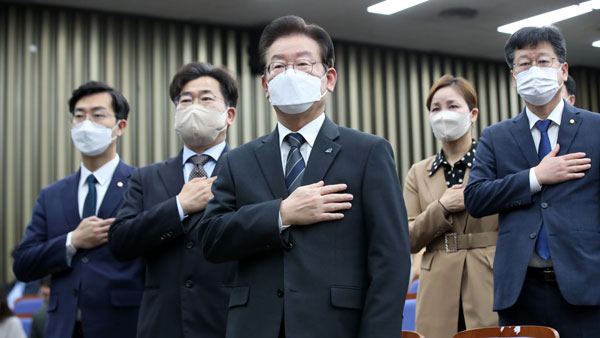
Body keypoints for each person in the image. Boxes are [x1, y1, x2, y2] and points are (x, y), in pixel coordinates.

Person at [199, 15, 411, 338]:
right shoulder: (238, 161)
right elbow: (212, 238)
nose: (290, 74)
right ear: (265, 86)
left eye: (303, 64)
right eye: (278, 67)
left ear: (329, 78)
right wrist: (281, 213)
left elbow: (390, 260)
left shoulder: (368, 153)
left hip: (337, 327)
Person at [465, 26, 600, 338]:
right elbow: (475, 198)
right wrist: (535, 177)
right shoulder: (496, 136)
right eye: (524, 64)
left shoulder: (595, 128)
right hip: (521, 290)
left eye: (543, 61)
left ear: (563, 71)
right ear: (514, 77)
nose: (533, 70)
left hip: (586, 286)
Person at [109, 62, 237, 338]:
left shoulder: (249, 169)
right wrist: (178, 206)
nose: (193, 106)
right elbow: (120, 241)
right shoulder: (146, 177)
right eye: (185, 100)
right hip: (162, 324)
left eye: (205, 98)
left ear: (230, 114)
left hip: (228, 322)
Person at [12, 81, 144, 338]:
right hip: (63, 327)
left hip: (124, 325)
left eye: (97, 115)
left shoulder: (142, 184)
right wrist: (73, 241)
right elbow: (23, 263)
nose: (86, 124)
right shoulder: (52, 195)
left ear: (120, 126)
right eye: (79, 116)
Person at [404, 75, 498, 338]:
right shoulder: (418, 172)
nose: (443, 114)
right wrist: (441, 206)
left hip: (488, 276)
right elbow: (408, 237)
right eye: (436, 108)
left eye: (453, 106)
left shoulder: (495, 164)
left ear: (473, 114)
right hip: (436, 284)